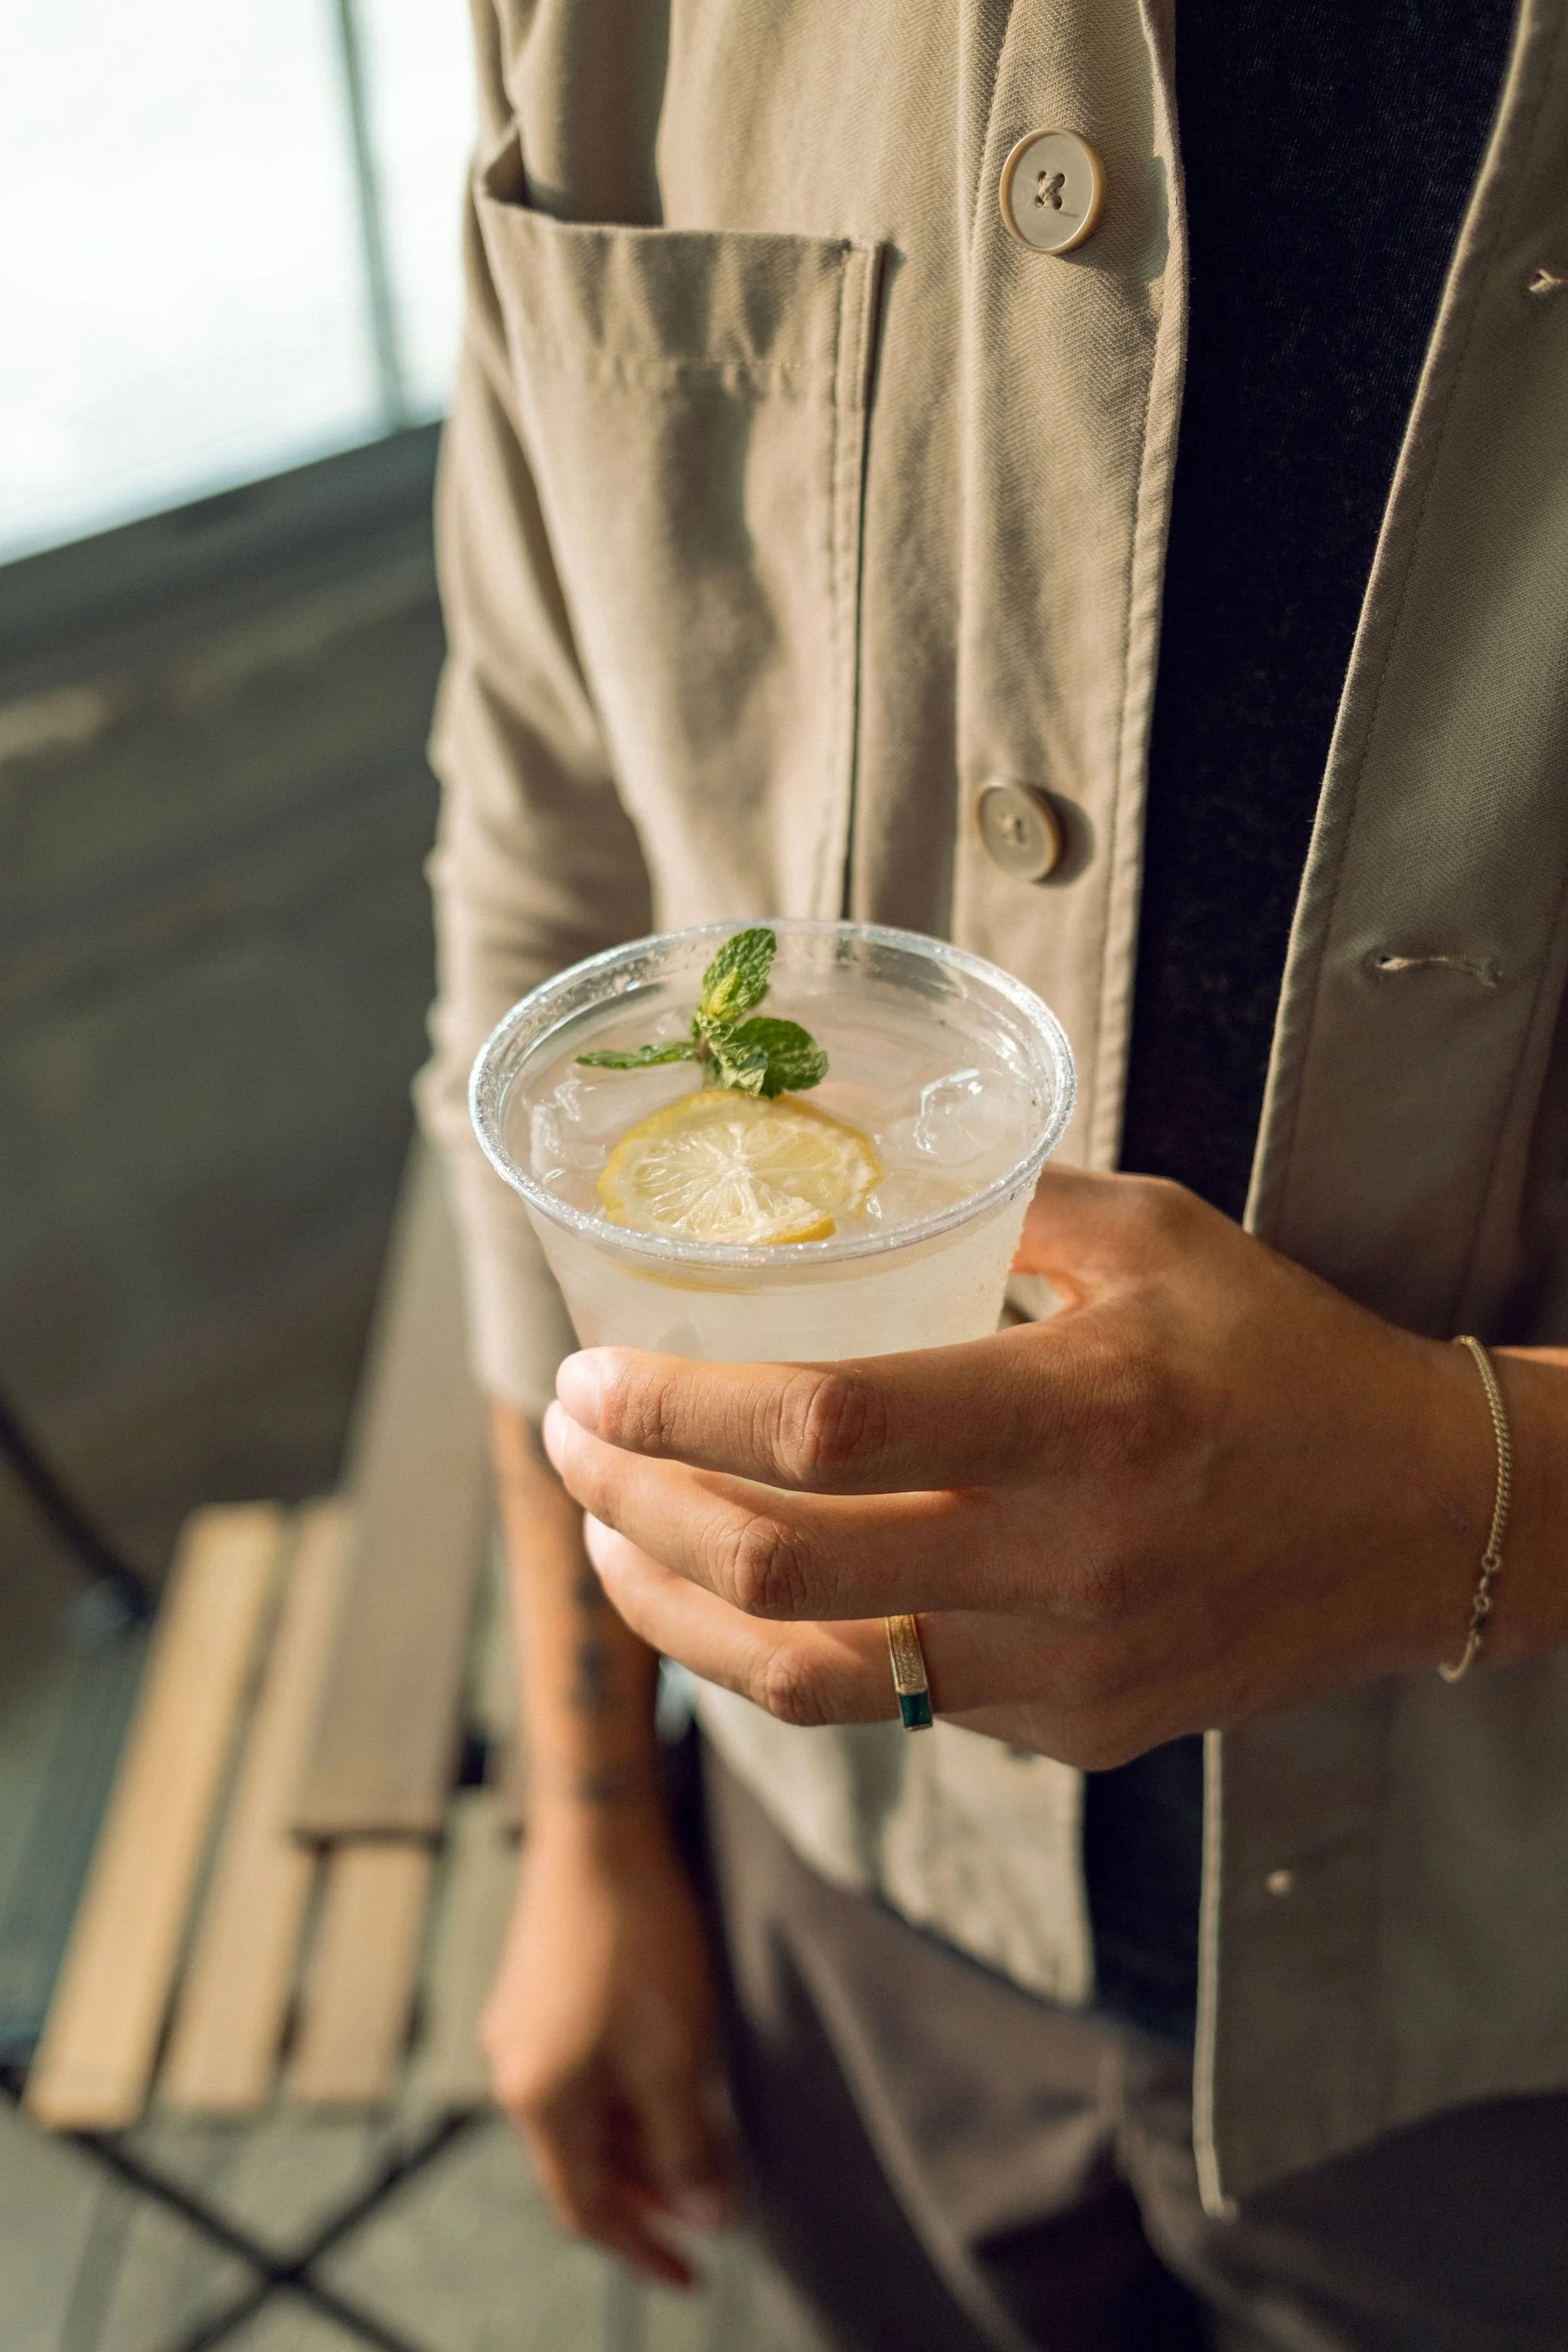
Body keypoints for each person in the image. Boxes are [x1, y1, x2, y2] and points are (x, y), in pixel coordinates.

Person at [418, 1, 1568, 2343]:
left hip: (1512, 2034)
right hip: (847, 1924)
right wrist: (593, 1823)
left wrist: (1479, 1492)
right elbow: (545, 892)